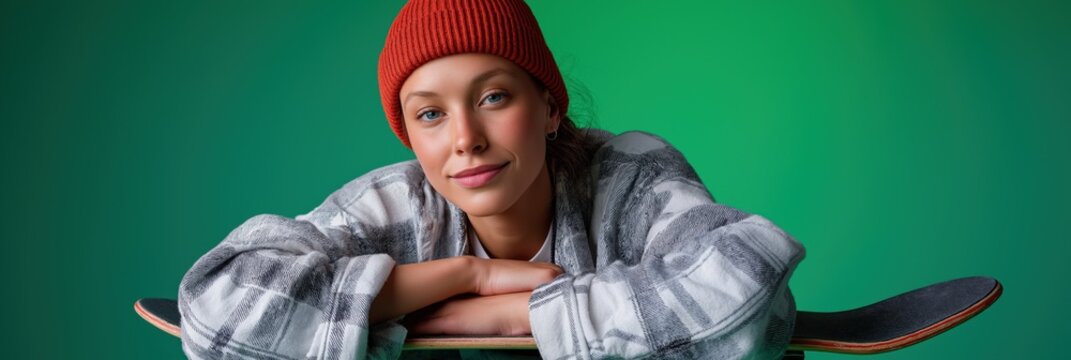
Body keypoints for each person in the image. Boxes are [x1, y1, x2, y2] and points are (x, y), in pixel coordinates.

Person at [177, 0, 805, 359]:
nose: (464, 138)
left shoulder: (628, 175)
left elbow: (749, 287)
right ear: (411, 137)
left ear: (551, 107)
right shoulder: (398, 201)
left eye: (495, 98)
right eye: (430, 114)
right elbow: (215, 305)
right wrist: (466, 277)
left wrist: (506, 317)